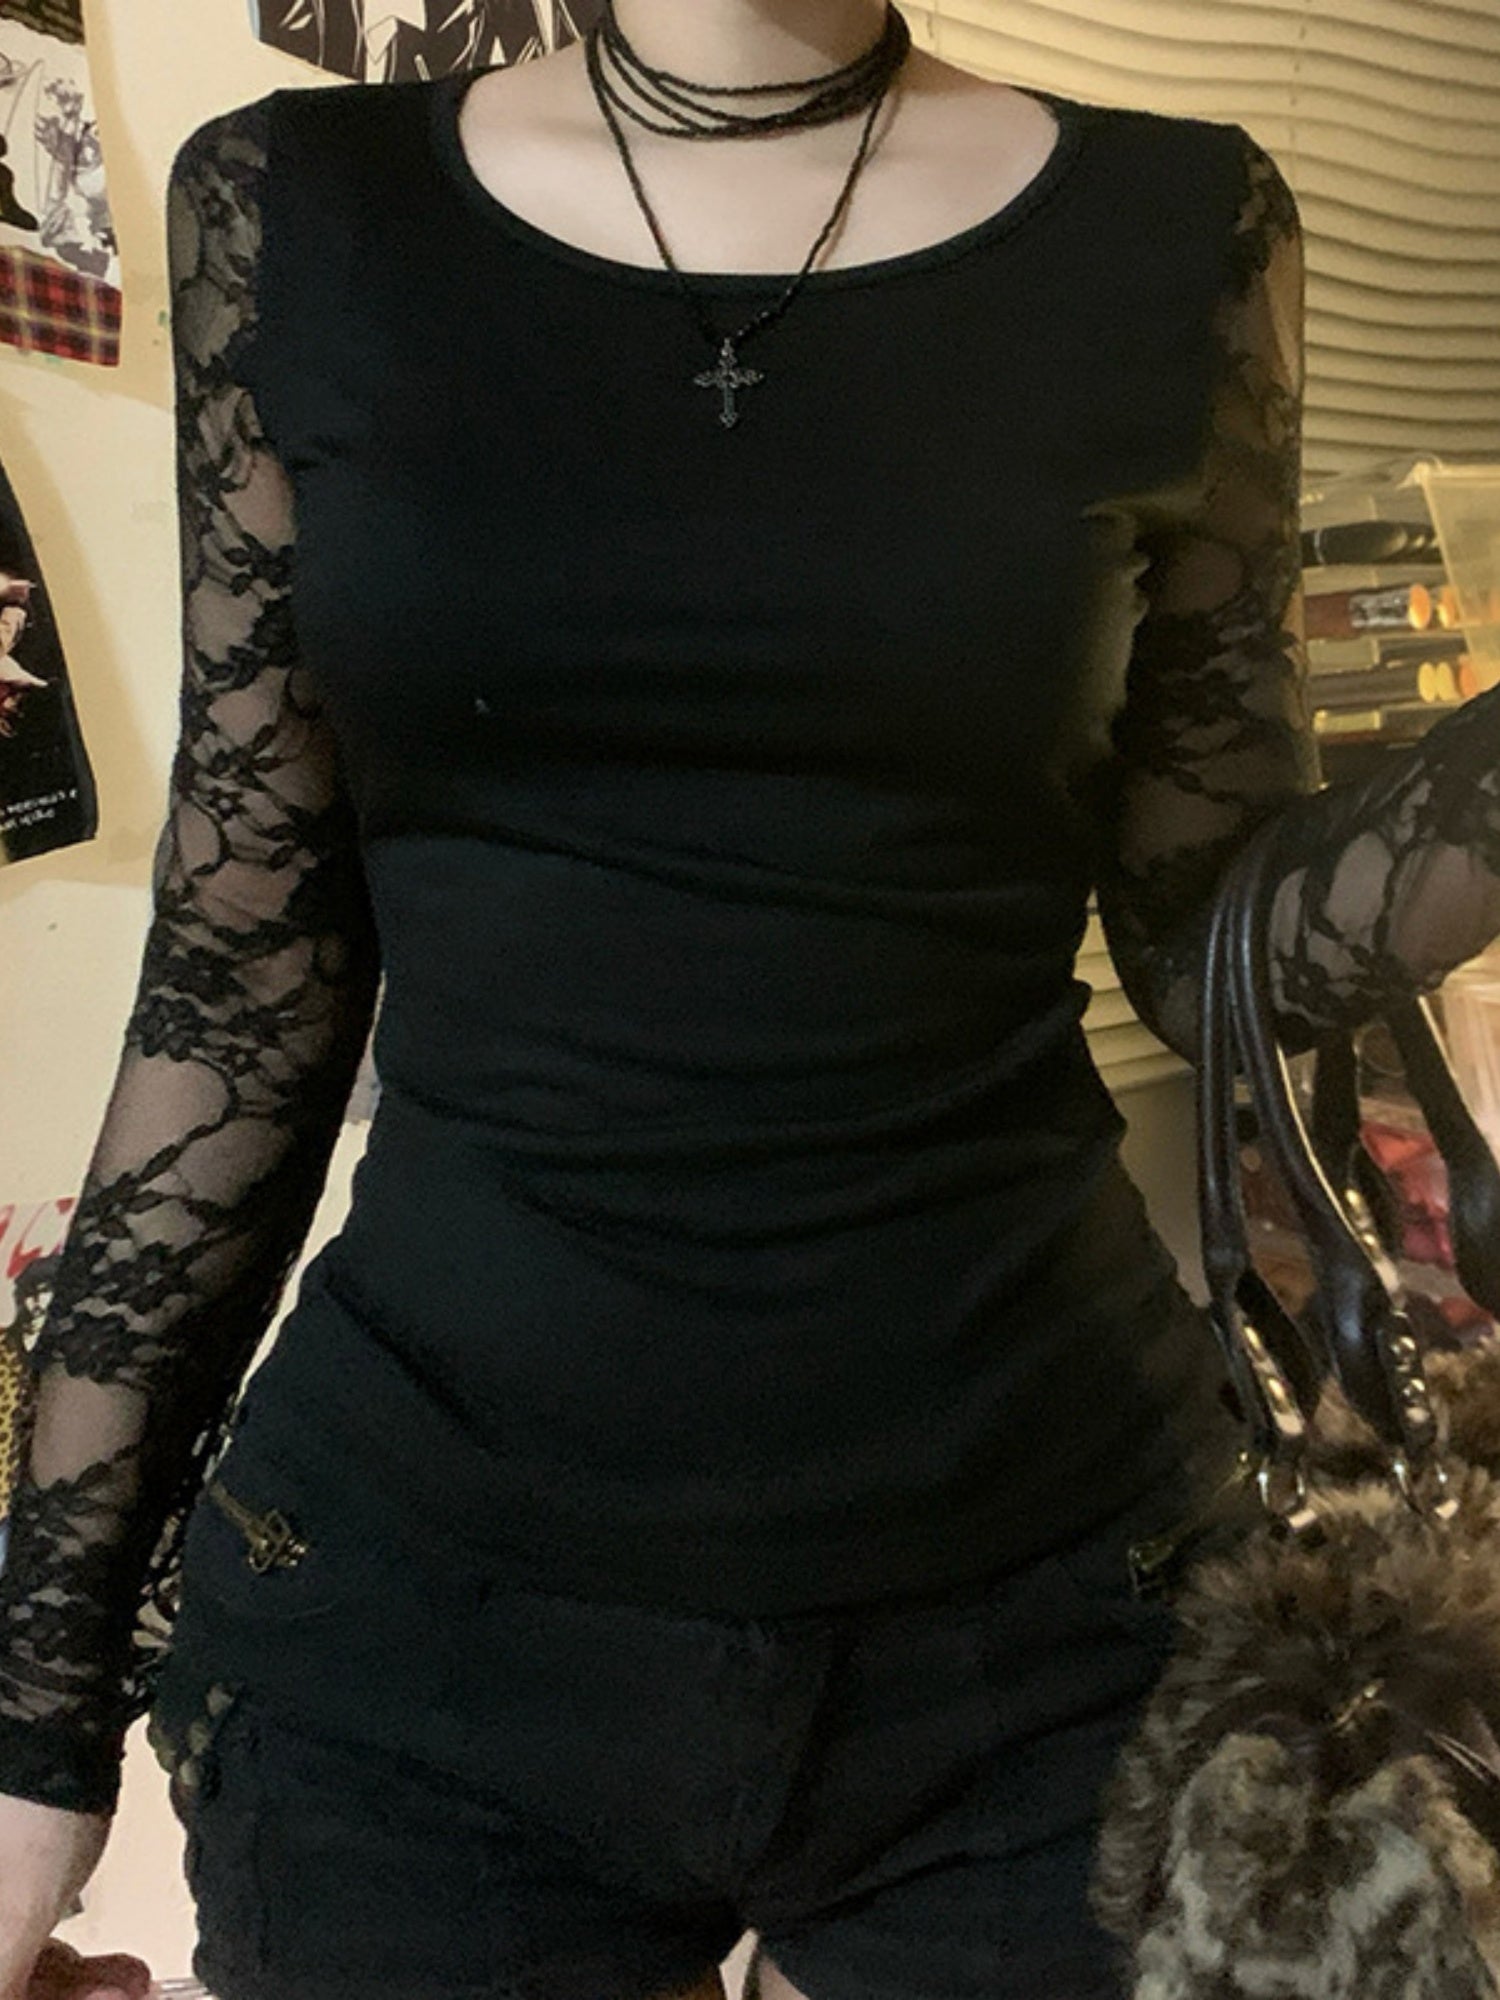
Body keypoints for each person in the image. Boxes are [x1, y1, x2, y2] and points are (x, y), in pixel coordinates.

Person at [1, 4, 1498, 1997]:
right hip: (421, 1639)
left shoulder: (1183, 229)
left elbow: (1206, 926)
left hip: (1051, 1625)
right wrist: (35, 1724)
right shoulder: (300, 213)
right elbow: (242, 971)